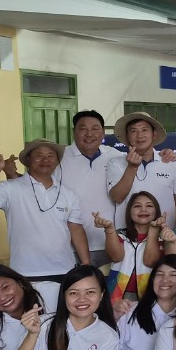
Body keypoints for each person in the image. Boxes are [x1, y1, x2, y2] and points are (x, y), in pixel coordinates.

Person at [0, 140, 89, 282]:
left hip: (65, 270)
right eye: (39, 155)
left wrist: (86, 264)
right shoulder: (11, 188)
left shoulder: (68, 194)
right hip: (25, 272)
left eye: (50, 156)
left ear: (57, 161)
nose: (45, 160)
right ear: (28, 160)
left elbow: (76, 229)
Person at [60, 110, 126, 268]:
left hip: (112, 243)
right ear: (74, 131)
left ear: (102, 133)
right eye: (83, 128)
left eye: (95, 129)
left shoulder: (116, 156)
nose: (89, 134)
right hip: (71, 247)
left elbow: (142, 162)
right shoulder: (59, 158)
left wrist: (166, 155)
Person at [106, 111, 176, 223]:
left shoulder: (171, 162)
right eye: (133, 131)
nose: (139, 135)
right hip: (128, 233)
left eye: (144, 130)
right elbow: (117, 197)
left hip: (165, 231)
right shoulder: (116, 163)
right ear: (127, 136)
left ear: (154, 134)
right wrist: (132, 168)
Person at [94, 191, 164, 308]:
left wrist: (153, 231)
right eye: (137, 206)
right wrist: (109, 229)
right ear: (129, 212)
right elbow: (116, 257)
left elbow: (150, 261)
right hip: (118, 295)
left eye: (149, 206)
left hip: (151, 294)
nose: (143, 209)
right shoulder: (120, 235)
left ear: (156, 211)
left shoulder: (163, 237)